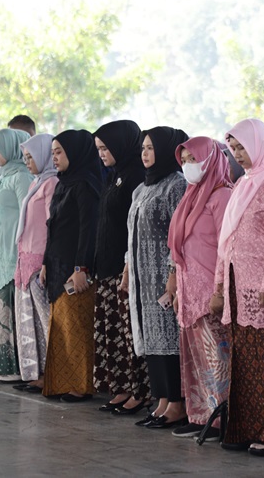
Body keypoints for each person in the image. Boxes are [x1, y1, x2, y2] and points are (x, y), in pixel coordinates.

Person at [209, 119, 264, 456]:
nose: (238, 155)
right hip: (236, 286)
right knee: (245, 363)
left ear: (260, 144)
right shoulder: (243, 185)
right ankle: (245, 428)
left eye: (242, 147)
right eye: (233, 149)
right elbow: (225, 242)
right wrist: (219, 286)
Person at [167, 136, 232, 439]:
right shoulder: (191, 196)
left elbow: (226, 248)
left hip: (211, 291)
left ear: (211, 160)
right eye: (185, 161)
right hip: (189, 289)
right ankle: (199, 415)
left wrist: (220, 290)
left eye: (194, 159)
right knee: (195, 357)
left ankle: (220, 417)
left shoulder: (222, 196)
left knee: (217, 358)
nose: (188, 166)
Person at [126, 126, 188, 427]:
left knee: (169, 339)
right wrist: (128, 269)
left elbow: (179, 235)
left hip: (164, 276)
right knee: (152, 340)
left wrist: (174, 272)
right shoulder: (141, 189)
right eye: (143, 148)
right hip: (142, 277)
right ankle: (162, 399)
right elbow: (131, 235)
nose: (145, 154)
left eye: (151, 148)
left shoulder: (175, 185)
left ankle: (177, 402)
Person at [91, 120, 151, 415]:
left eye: (105, 148)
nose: (102, 153)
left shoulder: (136, 177)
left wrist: (127, 264)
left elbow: (133, 228)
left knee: (129, 333)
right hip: (106, 265)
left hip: (124, 266)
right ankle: (121, 387)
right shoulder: (112, 176)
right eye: (99, 149)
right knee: (112, 333)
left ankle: (138, 390)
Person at [40, 129, 101, 402]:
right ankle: (63, 382)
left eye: (59, 152)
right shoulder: (64, 182)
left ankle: (81, 384)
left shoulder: (85, 184)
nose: (54, 158)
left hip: (74, 269)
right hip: (56, 265)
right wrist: (44, 263)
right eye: (52, 152)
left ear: (74, 153)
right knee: (62, 326)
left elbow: (88, 230)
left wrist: (81, 268)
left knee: (76, 326)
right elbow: (53, 227)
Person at [0, 129, 33, 380]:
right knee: (3, 311)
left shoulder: (21, 176)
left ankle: (20, 369)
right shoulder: (3, 177)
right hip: (1, 255)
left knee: (14, 312)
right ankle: (6, 368)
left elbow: (29, 217)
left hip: (16, 255)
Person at [12, 133, 58, 391]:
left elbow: (53, 224)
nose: (27, 162)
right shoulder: (35, 184)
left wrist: (46, 261)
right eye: (25, 157)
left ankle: (51, 374)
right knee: (31, 321)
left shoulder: (51, 184)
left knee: (46, 320)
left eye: (31, 157)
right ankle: (36, 372)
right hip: (26, 259)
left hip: (40, 260)